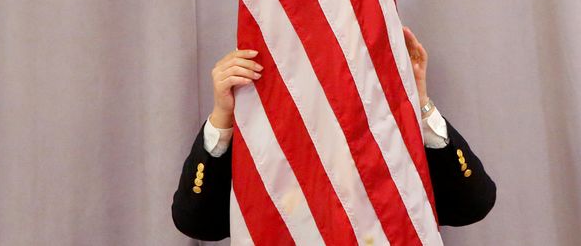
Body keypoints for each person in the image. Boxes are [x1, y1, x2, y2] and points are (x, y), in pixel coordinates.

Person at [172, 27, 495, 240]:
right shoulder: (267, 128)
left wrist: (419, 104)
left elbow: (472, 203)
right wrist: (222, 117)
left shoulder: (385, 127)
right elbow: (198, 223)